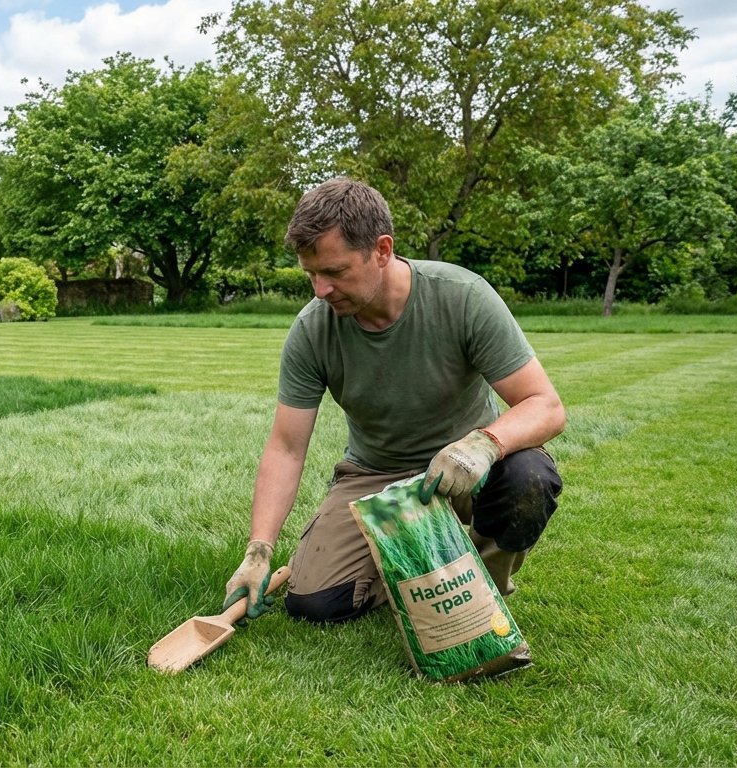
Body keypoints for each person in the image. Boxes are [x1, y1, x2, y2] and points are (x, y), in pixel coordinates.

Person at [223, 177, 566, 624]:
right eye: (311, 274)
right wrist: (258, 550)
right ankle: (421, 561)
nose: (320, 290)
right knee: (315, 604)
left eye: (335, 272)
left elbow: (545, 404)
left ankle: (483, 582)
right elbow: (287, 447)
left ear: (382, 250)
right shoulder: (313, 331)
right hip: (375, 473)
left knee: (529, 478)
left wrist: (481, 446)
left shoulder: (462, 297)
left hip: (469, 467)